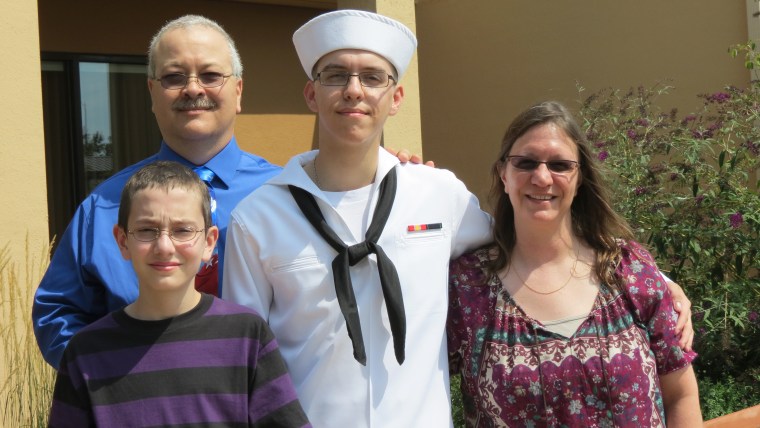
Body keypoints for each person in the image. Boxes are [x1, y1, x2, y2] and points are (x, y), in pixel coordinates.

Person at [31, 14, 421, 370]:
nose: (192, 88)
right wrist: (108, 375)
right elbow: (57, 312)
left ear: (238, 91)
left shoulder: (294, 194)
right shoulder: (102, 207)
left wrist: (396, 172)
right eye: (174, 77)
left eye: (210, 75)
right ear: (152, 92)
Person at [222, 10, 494, 427]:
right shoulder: (257, 219)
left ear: (396, 98)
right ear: (311, 94)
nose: (353, 91)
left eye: (372, 77)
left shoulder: (440, 196)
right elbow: (244, 357)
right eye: (335, 76)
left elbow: (520, 249)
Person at [447, 101, 702, 427]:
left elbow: (680, 394)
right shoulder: (467, 287)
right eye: (525, 163)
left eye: (560, 165)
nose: (542, 177)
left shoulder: (629, 270)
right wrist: (390, 176)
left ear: (579, 177)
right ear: (504, 174)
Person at [47, 161, 310, 427]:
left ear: (209, 243)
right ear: (123, 241)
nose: (164, 246)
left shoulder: (247, 337)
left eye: (182, 230)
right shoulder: (86, 354)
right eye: (147, 230)